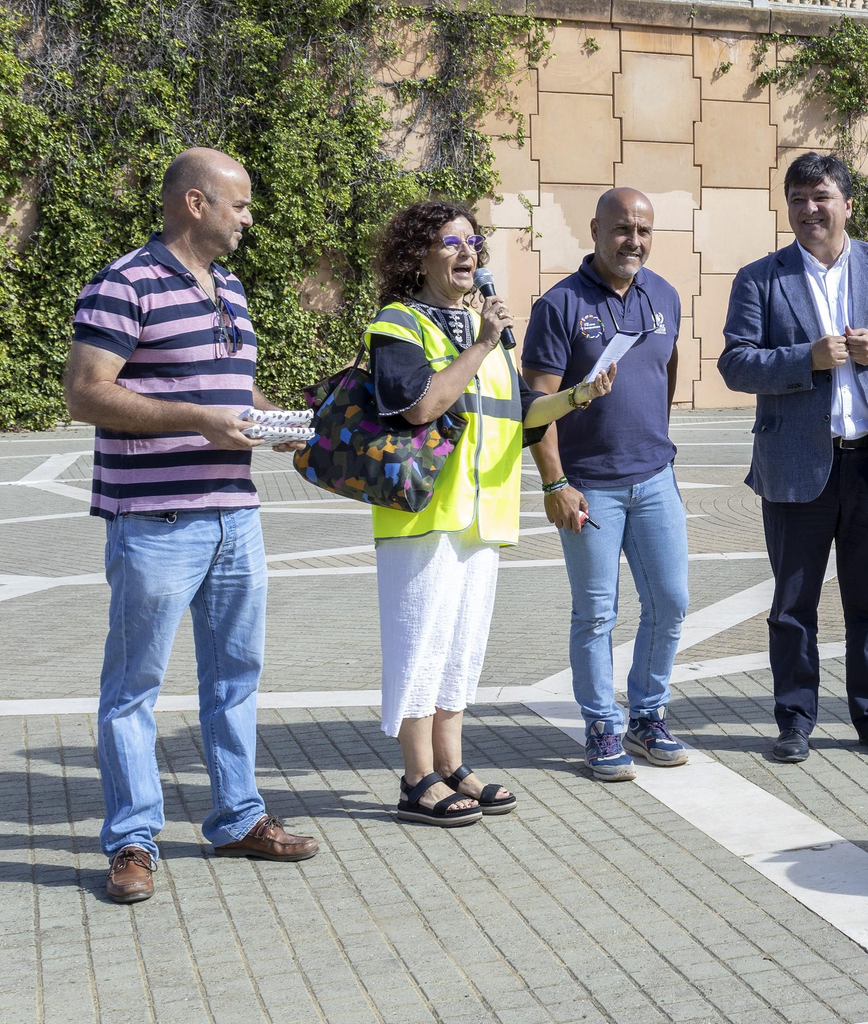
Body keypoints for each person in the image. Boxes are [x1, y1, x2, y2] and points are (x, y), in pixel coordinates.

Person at [64, 147, 321, 906]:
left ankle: (237, 817)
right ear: (196, 203)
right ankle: (132, 839)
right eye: (240, 204)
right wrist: (199, 420)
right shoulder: (123, 283)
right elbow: (85, 393)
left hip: (235, 515)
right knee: (133, 687)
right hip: (156, 519)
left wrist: (278, 421)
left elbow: (227, 392)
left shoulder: (230, 288)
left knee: (236, 677)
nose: (250, 218)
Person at [366, 201, 614, 823]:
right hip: (423, 513)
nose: (467, 253)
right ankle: (416, 778)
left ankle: (450, 765)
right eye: (451, 243)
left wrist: (577, 395)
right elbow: (418, 406)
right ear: (419, 255)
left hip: (484, 513)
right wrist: (481, 343)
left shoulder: (489, 331)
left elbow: (522, 413)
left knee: (461, 647)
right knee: (420, 645)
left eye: (472, 243)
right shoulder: (399, 323)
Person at [718, 152, 868, 764]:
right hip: (798, 467)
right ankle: (795, 721)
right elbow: (735, 363)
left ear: (847, 204)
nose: (809, 209)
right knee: (793, 606)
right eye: (797, 199)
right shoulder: (760, 279)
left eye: (820, 196)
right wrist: (806, 359)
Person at [522, 189, 690, 782]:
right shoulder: (560, 305)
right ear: (594, 229)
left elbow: (666, 372)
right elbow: (535, 406)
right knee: (596, 614)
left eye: (644, 230)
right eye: (622, 229)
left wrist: (651, 440)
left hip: (655, 479)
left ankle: (648, 715)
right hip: (589, 487)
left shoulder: (664, 295)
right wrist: (555, 483)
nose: (633, 241)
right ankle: (601, 725)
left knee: (671, 602)